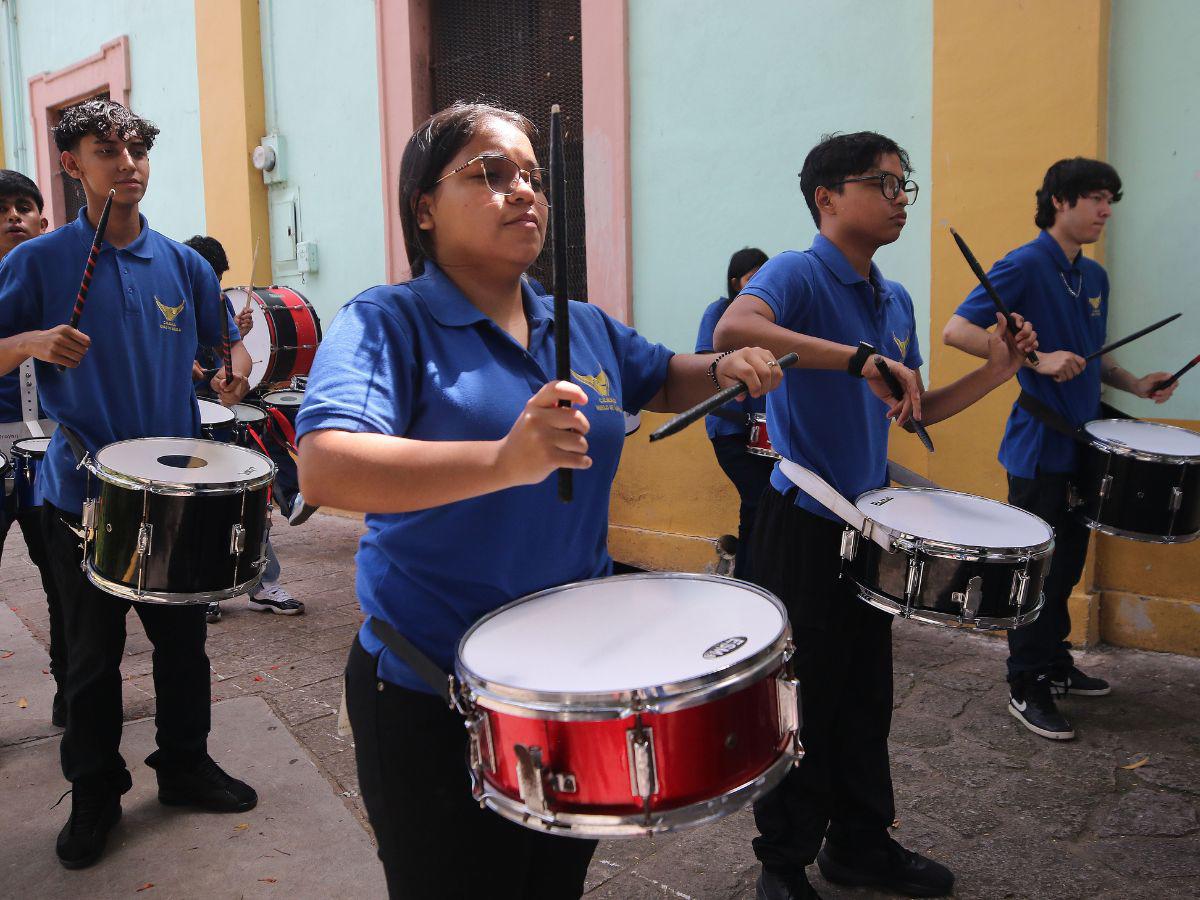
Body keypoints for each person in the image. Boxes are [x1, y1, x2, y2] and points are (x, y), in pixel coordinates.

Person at [294, 102, 782, 899]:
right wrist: (501, 459)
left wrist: (722, 369)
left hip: (569, 688)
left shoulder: (578, 323)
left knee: (549, 887)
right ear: (424, 206)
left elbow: (659, 377)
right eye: (490, 174)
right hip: (432, 688)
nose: (523, 192)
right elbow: (326, 467)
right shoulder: (390, 321)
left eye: (531, 176)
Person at [714, 131, 1038, 899]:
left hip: (871, 526)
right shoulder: (795, 274)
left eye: (904, 186)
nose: (899, 200)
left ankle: (860, 843)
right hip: (802, 523)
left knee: (865, 696)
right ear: (828, 198)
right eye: (883, 185)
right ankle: (782, 862)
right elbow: (735, 331)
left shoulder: (892, 298)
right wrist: (857, 358)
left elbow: (916, 410)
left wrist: (998, 371)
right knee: (806, 696)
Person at [0, 99, 258, 870]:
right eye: (106, 150)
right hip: (79, 490)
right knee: (91, 659)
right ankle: (94, 796)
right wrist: (31, 341)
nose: (128, 163)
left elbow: (232, 347)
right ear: (72, 165)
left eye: (137, 148)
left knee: (183, 646)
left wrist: (232, 369)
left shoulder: (183, 263)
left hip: (173, 491)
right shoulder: (39, 263)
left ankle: (183, 766)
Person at [943, 157, 1176, 741]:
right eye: (1095, 198)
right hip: (1039, 449)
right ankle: (1026, 682)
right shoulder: (1023, 265)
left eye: (1109, 200)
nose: (1104, 211)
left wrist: (1136, 384)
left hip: (1086, 447)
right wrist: (1035, 359)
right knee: (1036, 574)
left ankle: (1053, 662)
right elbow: (958, 329)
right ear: (1059, 202)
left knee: (1068, 565)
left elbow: (1093, 357)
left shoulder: (1092, 277)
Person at [183, 234, 304, 621]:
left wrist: (236, 368)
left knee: (246, 496)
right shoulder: (168, 300)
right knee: (197, 505)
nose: (213, 285)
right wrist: (182, 367)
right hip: (179, 418)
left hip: (220, 414)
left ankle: (263, 583)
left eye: (217, 277)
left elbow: (237, 354)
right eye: (207, 276)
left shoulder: (216, 304)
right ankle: (204, 586)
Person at [0, 169, 65, 726]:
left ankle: (75, 693)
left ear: (43, 220)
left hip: (52, 458)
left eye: (23, 206)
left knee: (65, 583)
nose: (12, 216)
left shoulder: (65, 282)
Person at [695, 246, 773, 579]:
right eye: (752, 278)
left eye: (765, 278)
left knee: (760, 503)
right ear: (735, 282)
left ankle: (750, 576)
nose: (760, 285)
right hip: (729, 428)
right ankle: (752, 579)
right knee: (759, 499)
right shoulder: (720, 311)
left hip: (765, 433)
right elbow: (705, 358)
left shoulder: (772, 320)